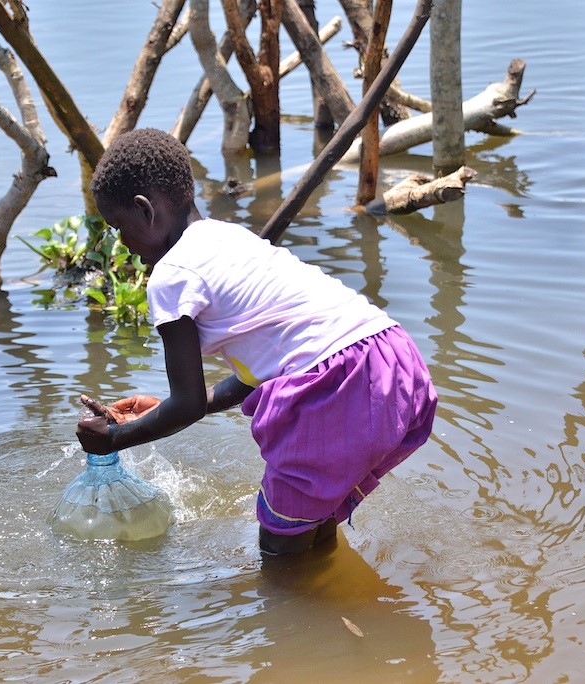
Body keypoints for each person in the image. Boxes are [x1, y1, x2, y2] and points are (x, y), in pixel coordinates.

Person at [77, 128, 437, 555]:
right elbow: (272, 364)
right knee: (307, 522)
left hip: (336, 390)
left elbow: (186, 405)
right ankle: (339, 608)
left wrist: (114, 440)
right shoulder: (230, 237)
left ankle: (303, 617)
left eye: (120, 227)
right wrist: (168, 408)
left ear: (145, 210)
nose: (122, 243)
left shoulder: (171, 276)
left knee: (279, 551)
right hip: (391, 361)